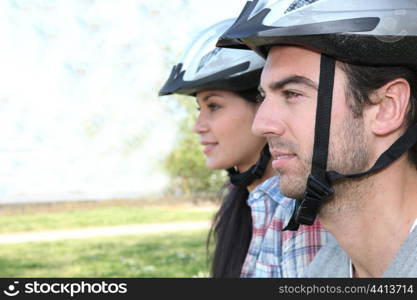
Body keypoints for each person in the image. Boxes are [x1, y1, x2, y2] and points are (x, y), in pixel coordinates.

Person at [218, 0, 417, 277]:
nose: (261, 126)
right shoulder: (321, 272)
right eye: (264, 97)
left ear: (386, 107)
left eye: (292, 93)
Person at [159, 18, 328, 277]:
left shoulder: (301, 217)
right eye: (198, 109)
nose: (198, 126)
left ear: (263, 108)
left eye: (213, 106)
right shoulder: (245, 205)